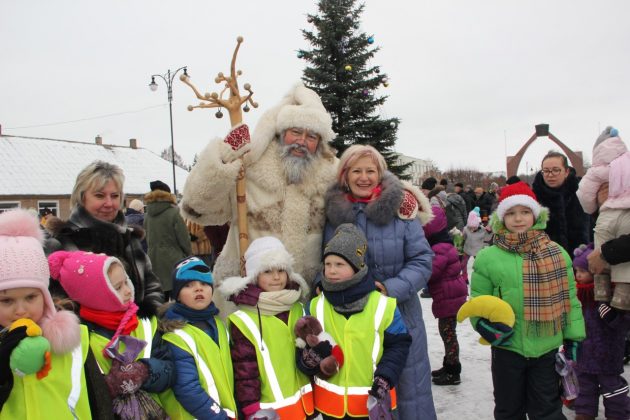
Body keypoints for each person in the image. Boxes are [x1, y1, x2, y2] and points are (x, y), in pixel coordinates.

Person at [180, 83, 338, 300]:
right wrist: (225, 157)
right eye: (296, 132)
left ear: (320, 142)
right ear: (281, 133)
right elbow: (197, 205)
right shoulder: (250, 167)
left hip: (304, 295)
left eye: (311, 136)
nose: (302, 141)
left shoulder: (331, 176)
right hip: (245, 294)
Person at [323, 144, 436, 419]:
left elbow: (422, 260)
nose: (364, 177)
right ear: (345, 176)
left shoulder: (401, 209)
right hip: (352, 322)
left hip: (400, 316)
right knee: (362, 396)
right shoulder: (335, 214)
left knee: (409, 394)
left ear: (380, 174)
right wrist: (321, 282)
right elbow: (323, 260)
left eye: (370, 171)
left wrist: (389, 289)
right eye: (356, 171)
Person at [470, 181, 585, 419]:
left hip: (546, 348)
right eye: (511, 213)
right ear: (501, 218)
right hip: (507, 349)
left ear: (535, 215)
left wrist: (573, 338)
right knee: (508, 408)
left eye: (524, 212)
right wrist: (484, 326)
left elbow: (570, 299)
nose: (518, 218)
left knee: (547, 410)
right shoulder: (488, 257)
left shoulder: (556, 253)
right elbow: (479, 301)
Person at [47, 250, 174, 418]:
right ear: (96, 296)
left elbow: (171, 368)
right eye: (118, 287)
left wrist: (146, 371)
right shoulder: (79, 338)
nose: (128, 291)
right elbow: (77, 392)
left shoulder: (145, 323)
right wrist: (106, 387)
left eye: (126, 282)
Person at [303, 223, 411, 419]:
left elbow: (399, 347)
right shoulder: (315, 306)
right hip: (330, 406)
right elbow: (305, 346)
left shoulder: (383, 305)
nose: (332, 271)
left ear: (358, 267)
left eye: (339, 264)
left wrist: (385, 378)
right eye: (328, 264)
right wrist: (308, 360)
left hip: (372, 404)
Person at [0, 209, 91, 419]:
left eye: (31, 297)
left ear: (46, 297)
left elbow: (97, 399)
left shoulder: (75, 342)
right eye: (7, 300)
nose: (21, 310)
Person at [45, 160, 164, 318]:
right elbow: (53, 303)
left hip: (138, 336)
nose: (109, 203)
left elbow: (152, 286)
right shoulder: (61, 243)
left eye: (115, 196)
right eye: (99, 195)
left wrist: (148, 320)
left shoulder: (129, 239)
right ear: (82, 198)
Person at [219, 236, 314, 419]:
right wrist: (252, 410)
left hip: (306, 407)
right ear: (255, 275)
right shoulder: (244, 320)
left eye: (281, 270)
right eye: (268, 271)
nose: (276, 277)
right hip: (270, 412)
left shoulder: (297, 308)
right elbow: (245, 371)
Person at [160, 256, 237, 419]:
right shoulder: (175, 335)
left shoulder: (219, 324)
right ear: (177, 295)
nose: (198, 289)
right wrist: (218, 416)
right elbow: (187, 389)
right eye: (188, 285)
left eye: (204, 284)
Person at [571, 243, 630, 420]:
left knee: (613, 388)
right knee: (584, 387)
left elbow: (624, 324)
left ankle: (618, 414)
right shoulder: (577, 294)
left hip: (607, 353)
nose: (578, 275)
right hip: (583, 353)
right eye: (576, 271)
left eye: (583, 271)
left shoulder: (610, 293)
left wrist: (613, 317)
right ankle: (584, 414)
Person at [576, 126, 630, 308]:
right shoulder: (627, 163)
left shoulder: (595, 171)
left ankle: (601, 287)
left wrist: (595, 208)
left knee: (601, 243)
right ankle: (623, 293)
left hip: (607, 214)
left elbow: (585, 196)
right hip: (627, 213)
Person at [422, 204, 468, 386]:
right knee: (447, 333)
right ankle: (448, 364)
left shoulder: (439, 247)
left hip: (449, 297)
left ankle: (453, 372)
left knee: (448, 334)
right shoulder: (444, 243)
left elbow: (432, 271)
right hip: (450, 295)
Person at [532, 150, 591, 253]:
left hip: (580, 257)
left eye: (556, 170)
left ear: (566, 172)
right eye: (546, 171)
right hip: (547, 261)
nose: (550, 175)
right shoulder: (534, 198)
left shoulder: (582, 193)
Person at [144, 180, 192, 301]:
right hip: (173, 260)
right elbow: (184, 238)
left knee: (160, 298)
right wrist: (188, 255)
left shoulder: (147, 215)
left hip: (153, 260)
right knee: (179, 298)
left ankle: (161, 319)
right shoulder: (174, 212)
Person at [461, 208, 488, 283]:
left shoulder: (483, 229)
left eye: (474, 227)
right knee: (463, 263)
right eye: (471, 227)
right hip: (467, 248)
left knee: (480, 264)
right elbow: (463, 238)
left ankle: (481, 277)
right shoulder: (466, 229)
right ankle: (464, 277)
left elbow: (489, 236)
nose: (472, 229)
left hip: (478, 250)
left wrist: (490, 229)